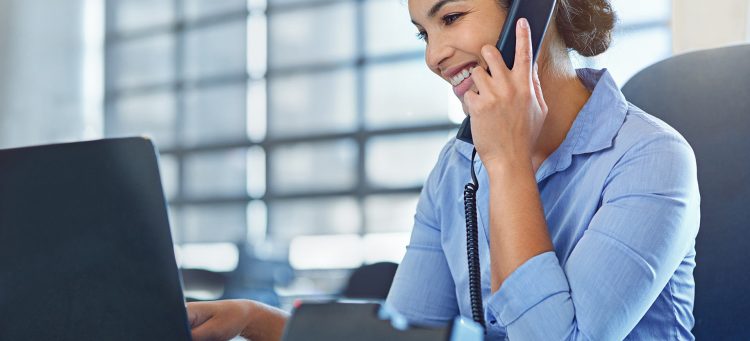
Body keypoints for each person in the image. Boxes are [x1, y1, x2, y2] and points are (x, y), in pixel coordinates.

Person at [186, 0, 700, 340]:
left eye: (450, 17)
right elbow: (408, 333)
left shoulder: (651, 158)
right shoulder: (457, 167)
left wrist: (507, 163)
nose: (434, 56)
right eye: (422, 34)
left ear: (535, 9)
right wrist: (255, 321)